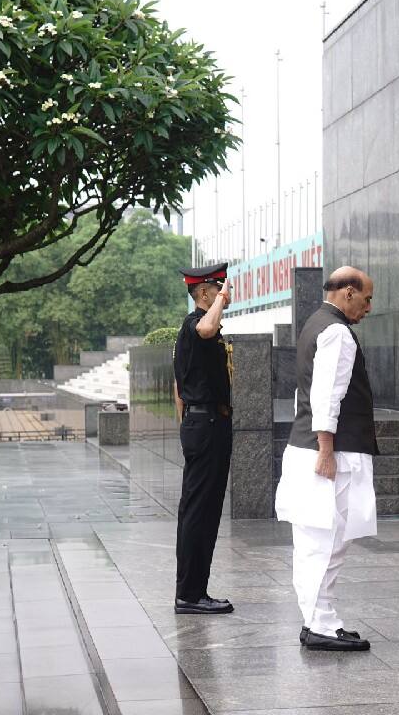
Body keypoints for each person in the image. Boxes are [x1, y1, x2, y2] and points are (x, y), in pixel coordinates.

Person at [274, 266, 378, 651]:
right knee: (327, 541)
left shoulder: (314, 323)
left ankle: (319, 620)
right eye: (366, 299)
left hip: (309, 449)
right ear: (348, 293)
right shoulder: (336, 332)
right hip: (328, 453)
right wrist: (327, 450)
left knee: (315, 542)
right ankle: (320, 624)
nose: (368, 308)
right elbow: (324, 397)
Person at [172, 263, 235, 615]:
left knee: (203, 511)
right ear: (205, 293)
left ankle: (194, 590)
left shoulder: (195, 331)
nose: (225, 294)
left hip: (206, 425)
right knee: (199, 512)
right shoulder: (196, 324)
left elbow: (177, 385)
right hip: (206, 425)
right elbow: (207, 325)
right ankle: (190, 595)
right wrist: (220, 302)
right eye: (218, 289)